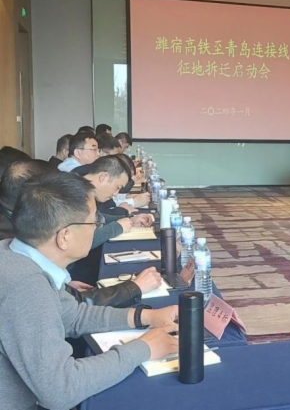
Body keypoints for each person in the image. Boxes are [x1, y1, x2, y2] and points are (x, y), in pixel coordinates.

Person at [0, 172, 179, 410]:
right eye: (94, 221)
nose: (97, 228)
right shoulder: (26, 286)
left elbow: (73, 316)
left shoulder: (13, 253)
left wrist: (146, 316)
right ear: (64, 236)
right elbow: (61, 390)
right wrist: (143, 349)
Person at [0, 161, 159, 306]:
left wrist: (65, 287)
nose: (96, 227)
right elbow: (70, 314)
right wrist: (133, 288)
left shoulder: (17, 247)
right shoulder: (28, 287)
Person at [72, 156, 154, 283]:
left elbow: (98, 217)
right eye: (117, 187)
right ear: (104, 177)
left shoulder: (81, 186)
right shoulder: (73, 193)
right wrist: (117, 227)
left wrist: (130, 219)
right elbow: (82, 241)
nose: (116, 194)